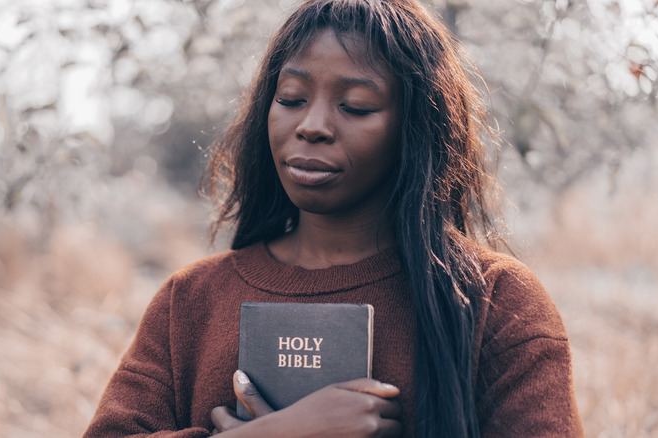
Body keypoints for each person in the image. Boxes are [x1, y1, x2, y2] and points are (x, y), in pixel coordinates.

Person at [83, 0, 584, 437]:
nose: (312, 125)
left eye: (356, 106)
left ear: (415, 129)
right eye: (292, 99)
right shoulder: (190, 302)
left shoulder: (494, 301)